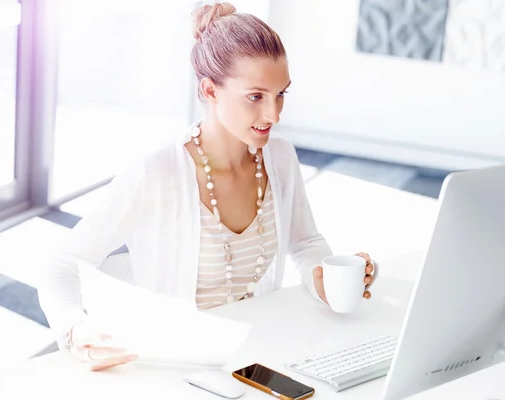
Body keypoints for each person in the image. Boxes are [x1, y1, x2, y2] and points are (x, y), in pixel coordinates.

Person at [38, 2, 376, 372]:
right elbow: (63, 264)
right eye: (256, 96)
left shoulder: (279, 157)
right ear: (210, 90)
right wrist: (75, 328)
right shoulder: (157, 173)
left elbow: (306, 243)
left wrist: (322, 278)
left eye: (281, 94)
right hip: (174, 367)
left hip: (258, 355)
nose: (274, 115)